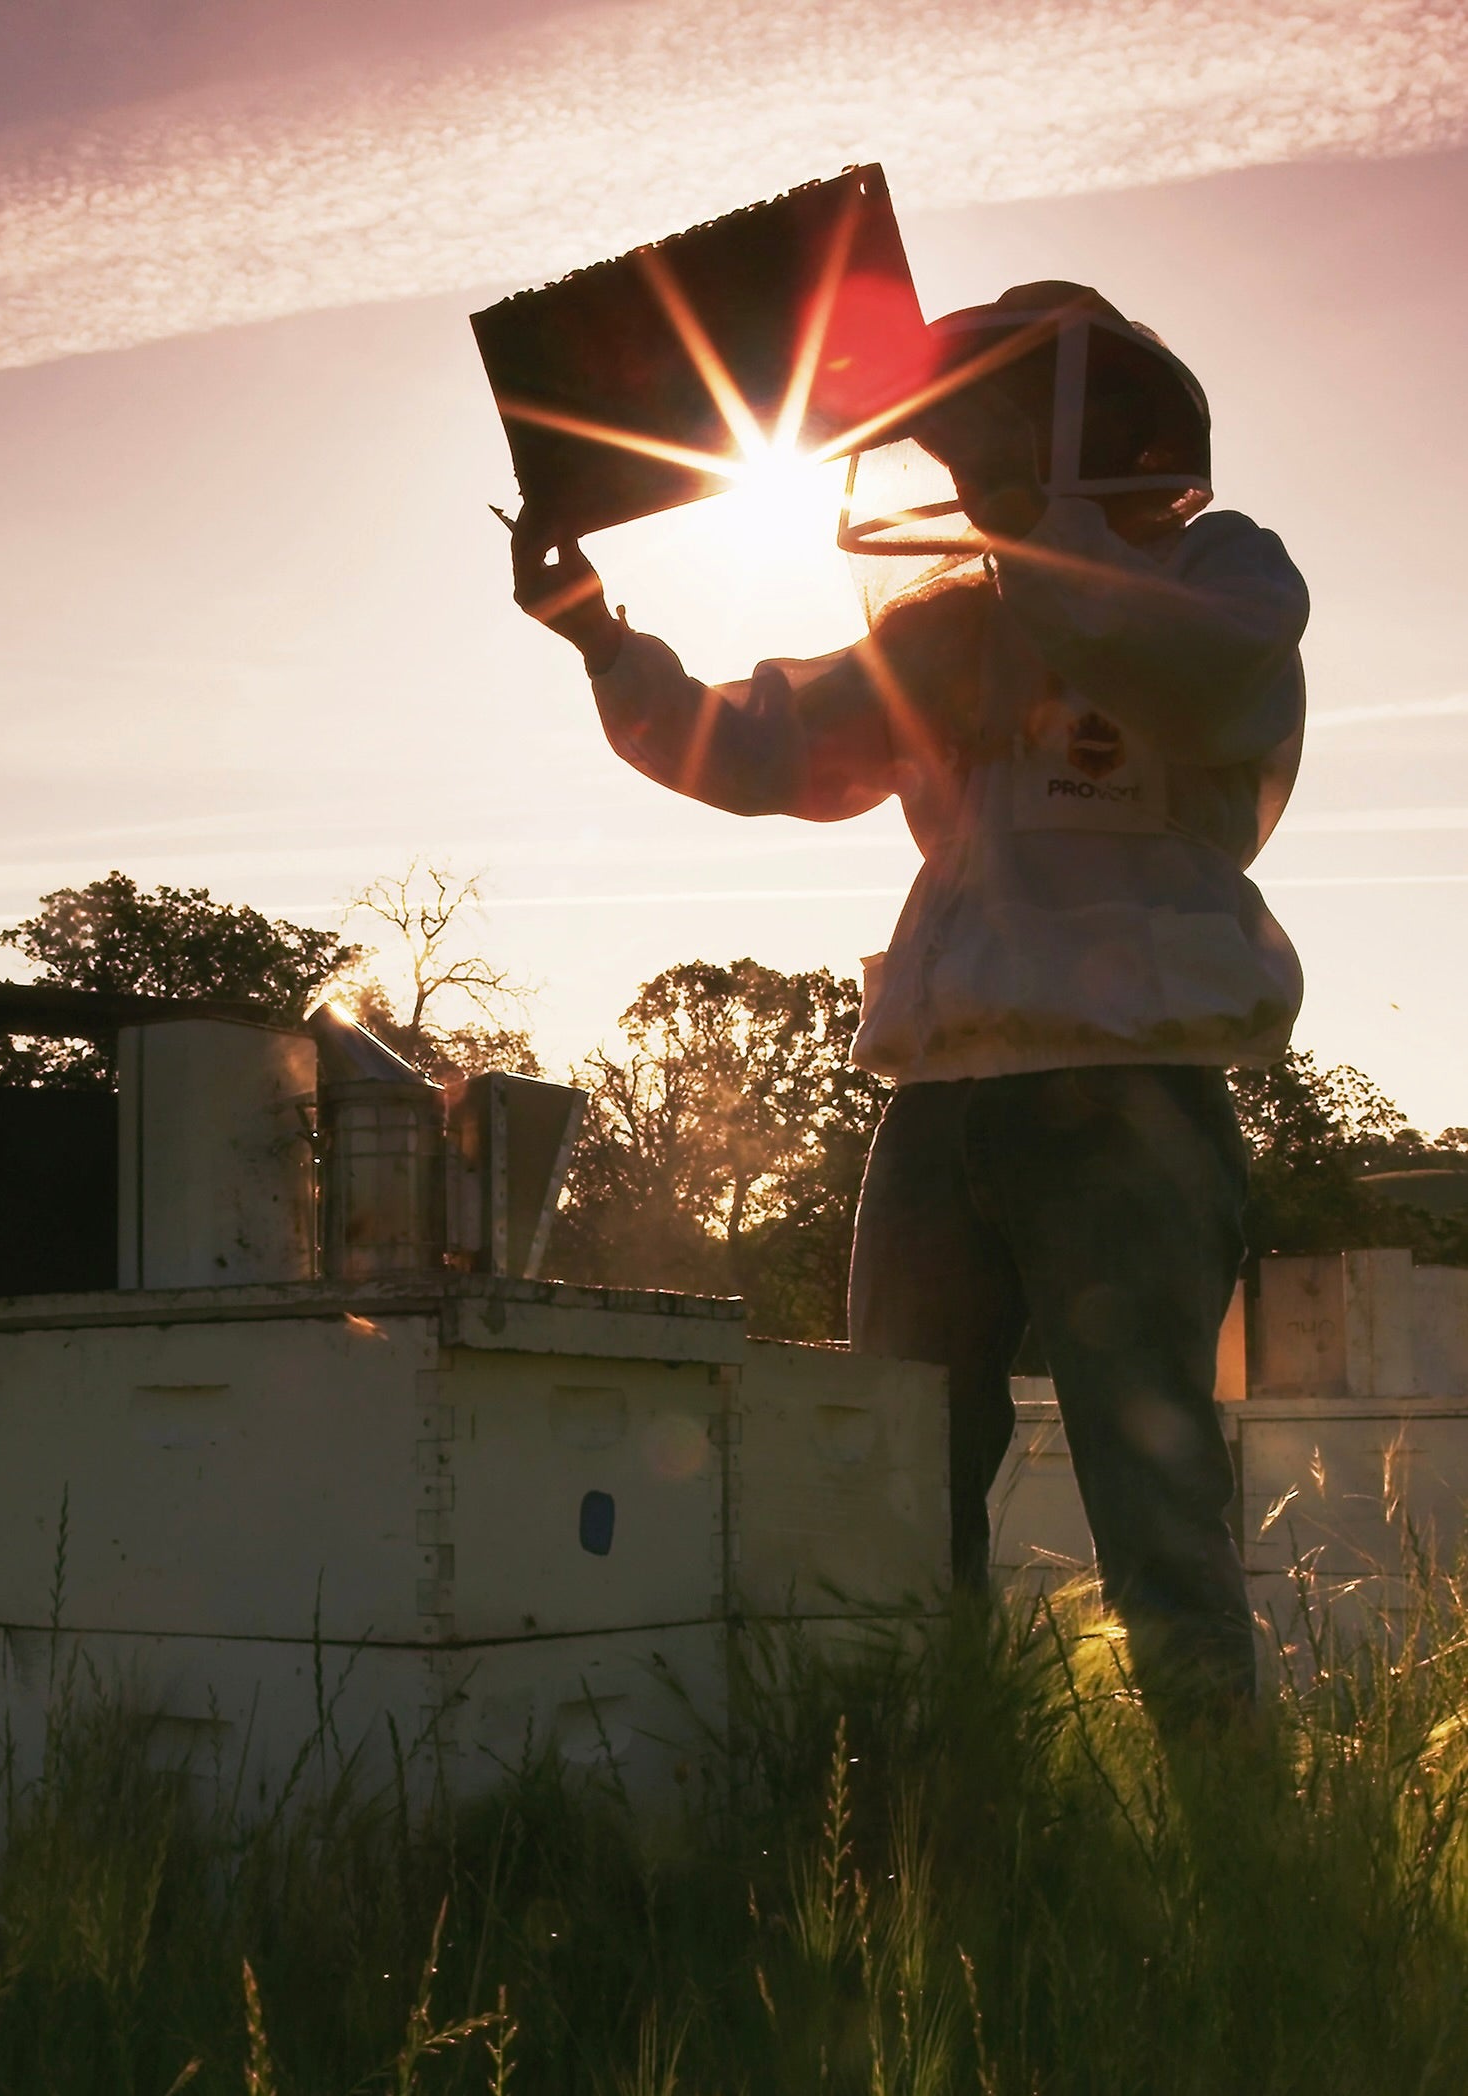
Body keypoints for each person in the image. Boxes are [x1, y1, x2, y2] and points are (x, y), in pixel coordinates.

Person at [512, 284, 1308, 1712]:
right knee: (891, 1484)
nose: (961, 463)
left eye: (1000, 425)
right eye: (954, 438)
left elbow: (1169, 664)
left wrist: (1017, 507)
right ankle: (931, 1799)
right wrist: (602, 646)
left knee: (1154, 1500)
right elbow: (765, 748)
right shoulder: (952, 625)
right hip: (939, 1105)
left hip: (1129, 1094)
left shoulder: (1221, 573)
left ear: (1094, 423)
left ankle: (1226, 1842)